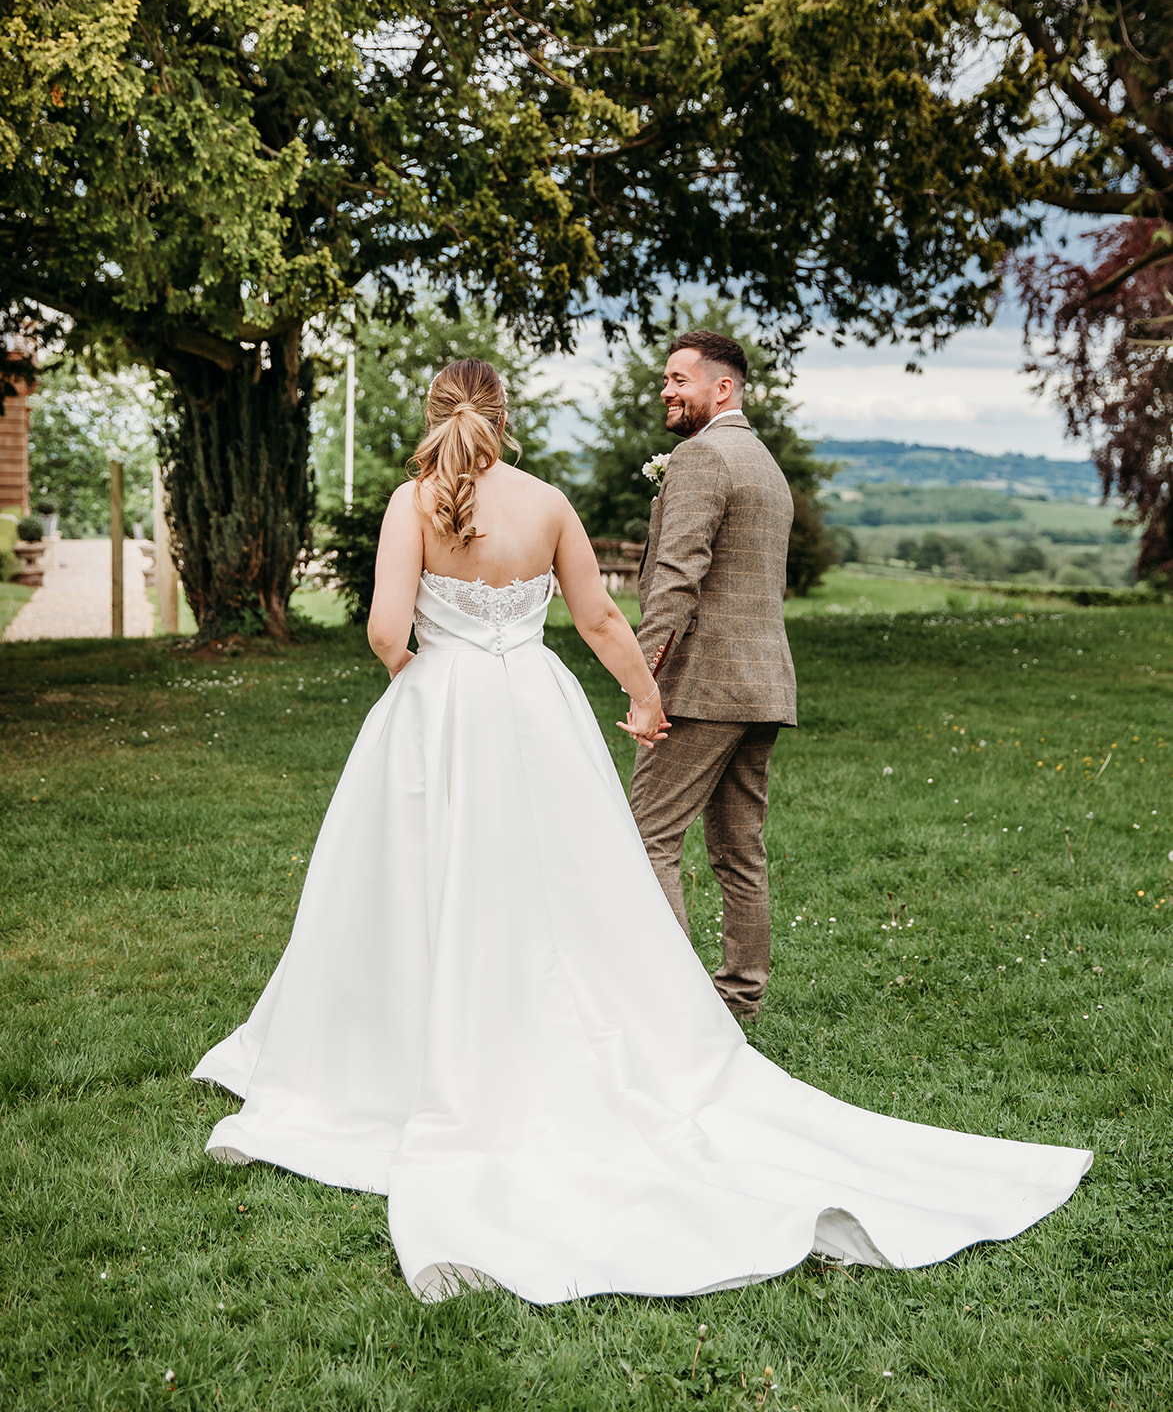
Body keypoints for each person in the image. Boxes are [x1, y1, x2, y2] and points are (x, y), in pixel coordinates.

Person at [194, 356, 1091, 1306]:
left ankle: (404, 1044)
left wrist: (423, 680)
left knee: (415, 878)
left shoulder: (409, 503)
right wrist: (645, 693)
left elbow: (383, 631)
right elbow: (599, 616)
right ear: (504, 415)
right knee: (563, 881)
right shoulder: (546, 504)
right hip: (534, 710)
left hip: (434, 709)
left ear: (434, 415)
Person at [629, 330, 794, 1022]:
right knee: (737, 850)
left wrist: (643, 676)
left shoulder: (700, 456)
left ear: (720, 388)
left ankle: (671, 1007)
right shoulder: (762, 463)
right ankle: (738, 1000)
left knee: (646, 840)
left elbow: (676, 576)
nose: (665, 390)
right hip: (763, 685)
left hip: (701, 685)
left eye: (678, 379)